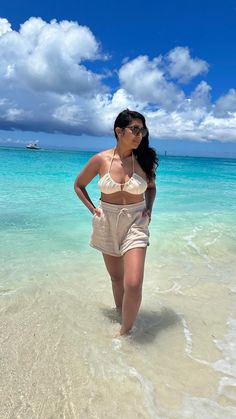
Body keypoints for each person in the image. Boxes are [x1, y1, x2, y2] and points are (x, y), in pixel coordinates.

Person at [74, 109, 158, 335]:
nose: (140, 135)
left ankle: (125, 334)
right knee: (116, 278)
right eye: (135, 129)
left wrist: (148, 210)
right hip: (107, 221)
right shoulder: (100, 160)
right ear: (119, 131)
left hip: (136, 222)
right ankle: (121, 313)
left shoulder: (145, 160)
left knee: (133, 282)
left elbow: (150, 188)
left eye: (143, 130)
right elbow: (78, 185)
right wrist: (93, 209)